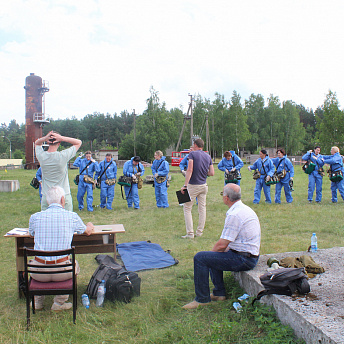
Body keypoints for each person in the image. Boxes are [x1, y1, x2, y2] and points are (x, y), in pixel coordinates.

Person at [182, 183, 260, 309]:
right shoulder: (243, 209)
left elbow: (222, 245)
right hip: (247, 255)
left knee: (201, 258)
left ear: (226, 198)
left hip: (245, 259)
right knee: (214, 255)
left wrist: (212, 256)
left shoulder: (234, 214)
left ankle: (202, 299)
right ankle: (219, 293)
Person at [29, 186, 94, 311]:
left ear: (47, 201)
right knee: (75, 265)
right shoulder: (72, 216)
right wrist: (89, 225)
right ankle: (59, 303)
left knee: (38, 260)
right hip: (63, 272)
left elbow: (31, 233)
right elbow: (87, 231)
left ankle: (37, 301)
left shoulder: (35, 217)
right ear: (63, 200)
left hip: (39, 272)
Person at [35, 131, 82, 212]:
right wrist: (62, 138)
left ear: (47, 142)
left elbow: (37, 143)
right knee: (67, 222)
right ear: (59, 143)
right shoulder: (63, 155)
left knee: (47, 223)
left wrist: (45, 138)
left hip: (47, 196)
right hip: (63, 195)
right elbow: (78, 142)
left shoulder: (42, 156)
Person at [180, 138, 214, 238]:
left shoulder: (192, 154)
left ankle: (190, 233)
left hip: (192, 185)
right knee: (202, 209)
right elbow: (211, 173)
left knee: (187, 208)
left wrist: (185, 185)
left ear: (195, 145)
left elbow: (189, 169)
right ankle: (199, 232)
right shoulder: (208, 156)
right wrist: (203, 172)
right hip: (204, 185)